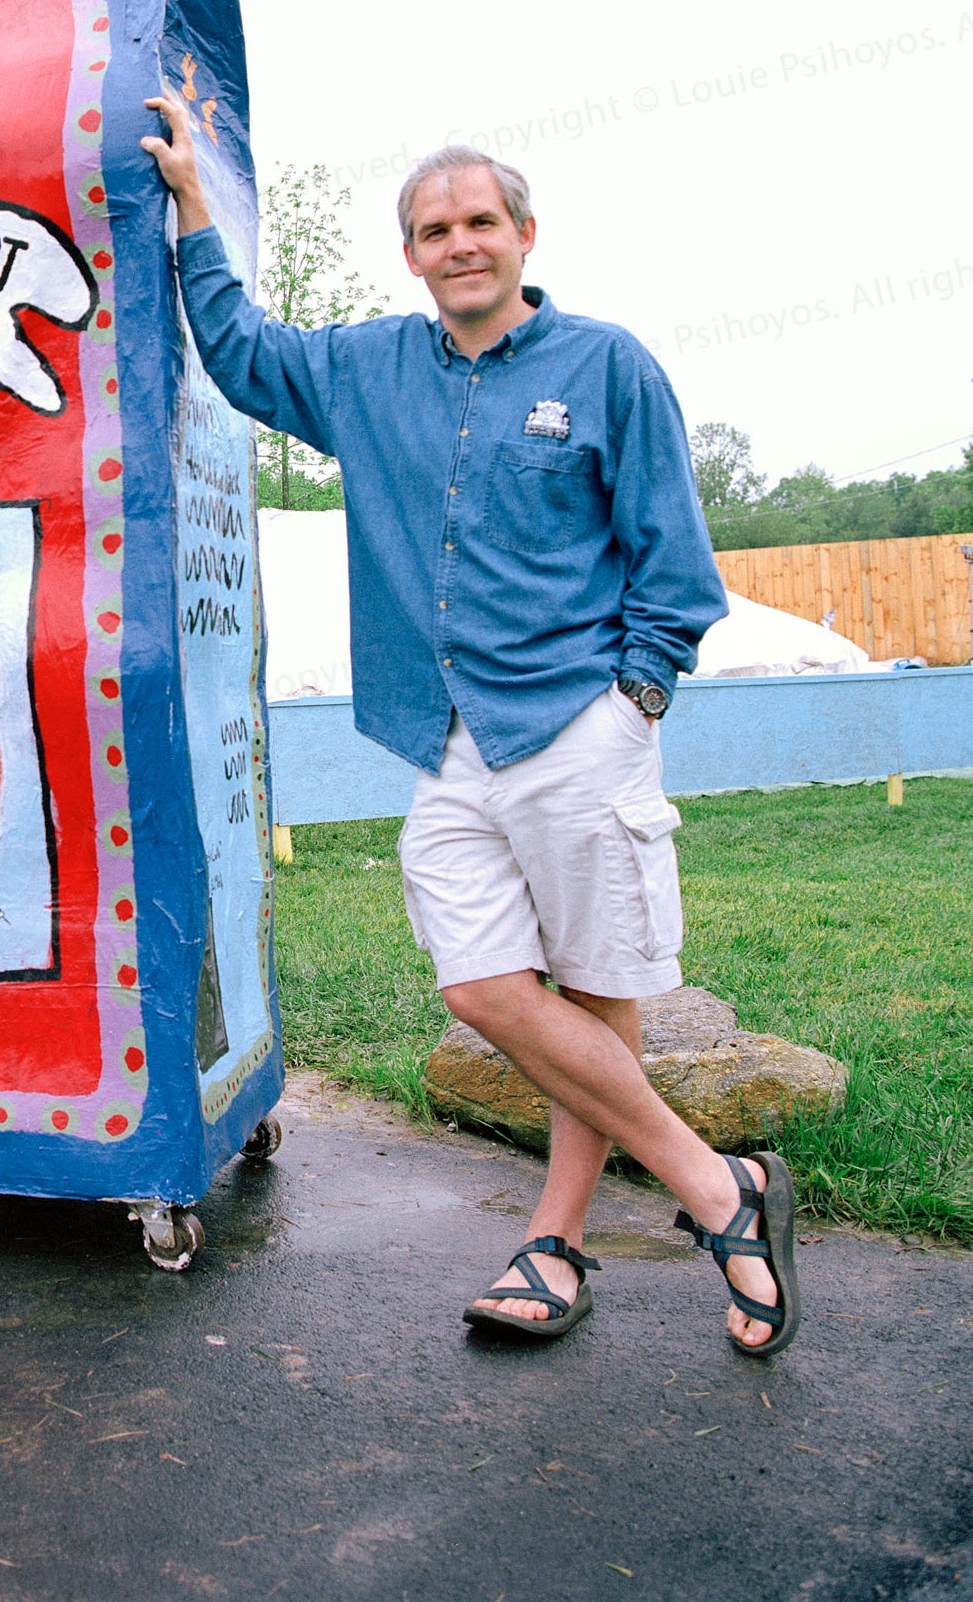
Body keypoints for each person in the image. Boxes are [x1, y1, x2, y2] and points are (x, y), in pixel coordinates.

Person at [145, 101, 800, 1359]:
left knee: (597, 992)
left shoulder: (606, 366)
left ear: (524, 233)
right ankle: (724, 1188)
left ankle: (555, 1242)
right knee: (485, 984)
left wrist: (635, 700)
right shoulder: (365, 369)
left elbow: (676, 568)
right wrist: (191, 209)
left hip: (577, 725)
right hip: (443, 738)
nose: (459, 244)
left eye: (480, 221)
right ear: (412, 254)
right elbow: (236, 347)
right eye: (434, 228)